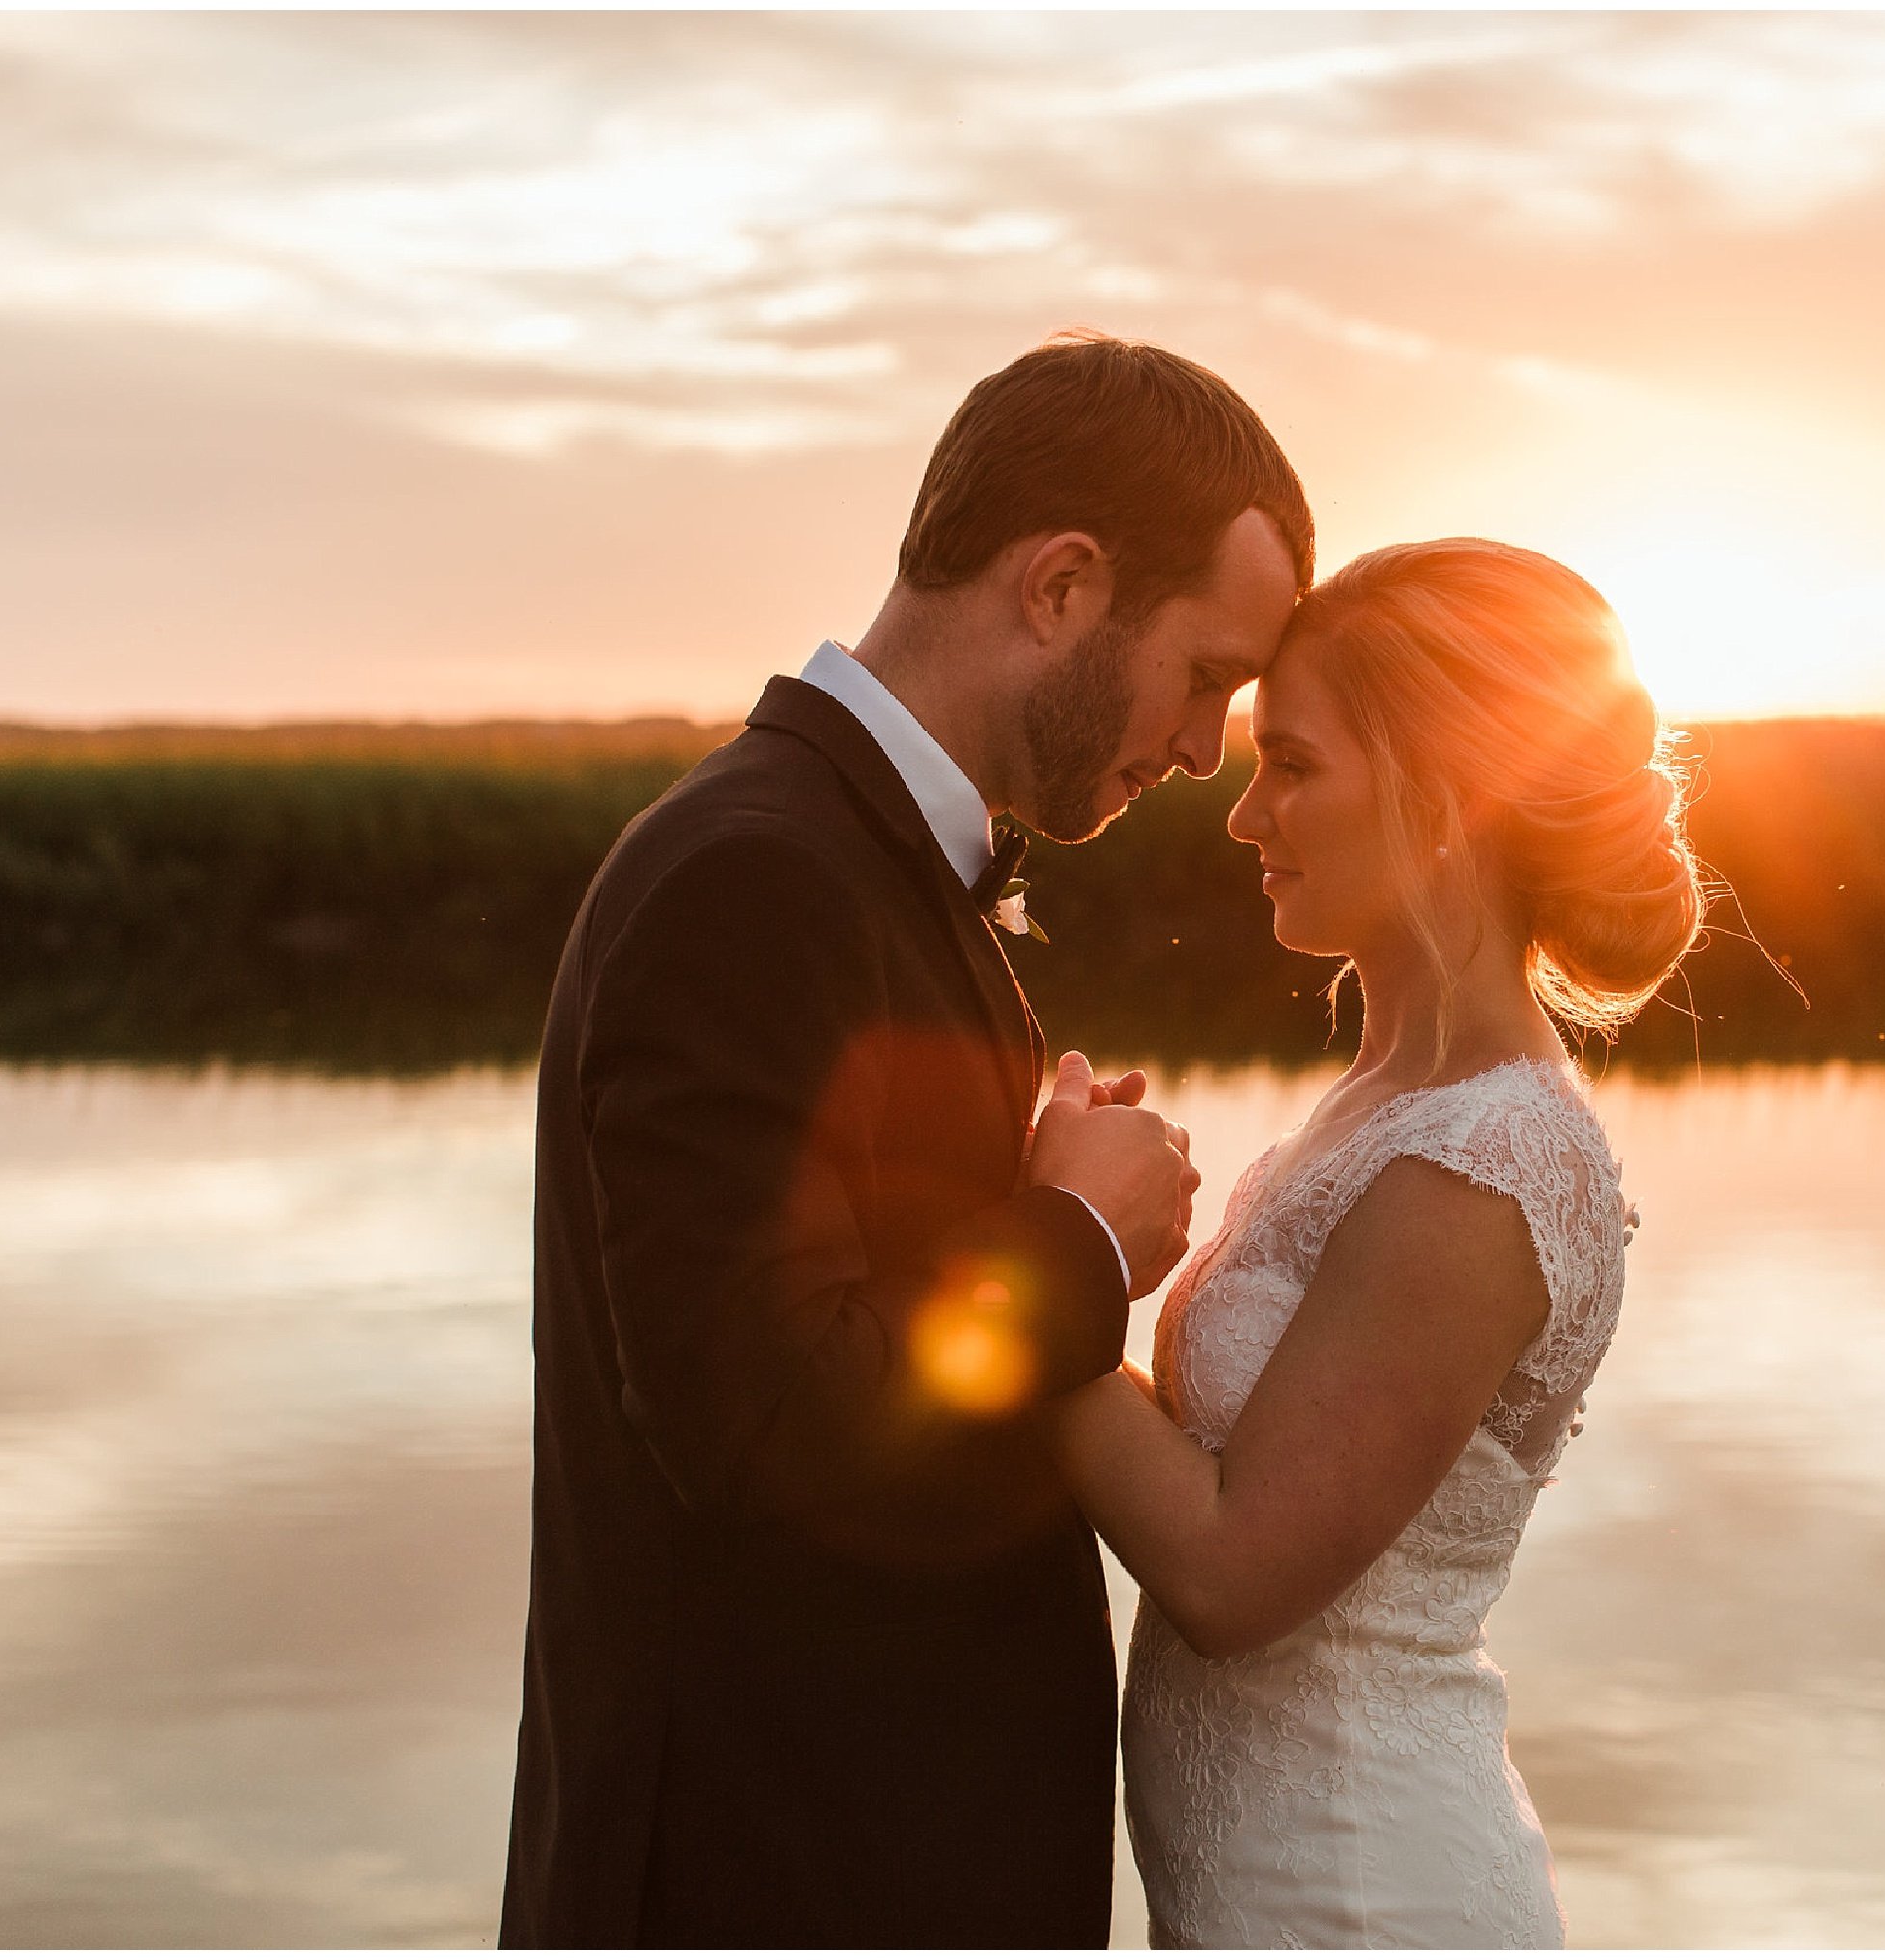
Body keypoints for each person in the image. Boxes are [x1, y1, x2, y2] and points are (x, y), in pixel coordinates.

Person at [498, 333, 1310, 1948]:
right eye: (1210, 673)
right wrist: (1078, 1243)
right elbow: (761, 1423)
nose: (1209, 745)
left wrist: (1029, 1187)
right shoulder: (757, 877)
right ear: (1064, 587)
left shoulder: (851, 864)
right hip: (776, 1885)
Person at [1050, 538, 1704, 1946]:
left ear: (1448, 794)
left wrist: (1019, 1255)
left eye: (1292, 765)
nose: (1247, 817)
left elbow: (1232, 1571)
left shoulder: (1489, 1159)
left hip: (1361, 1894)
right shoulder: (1386, 1101)